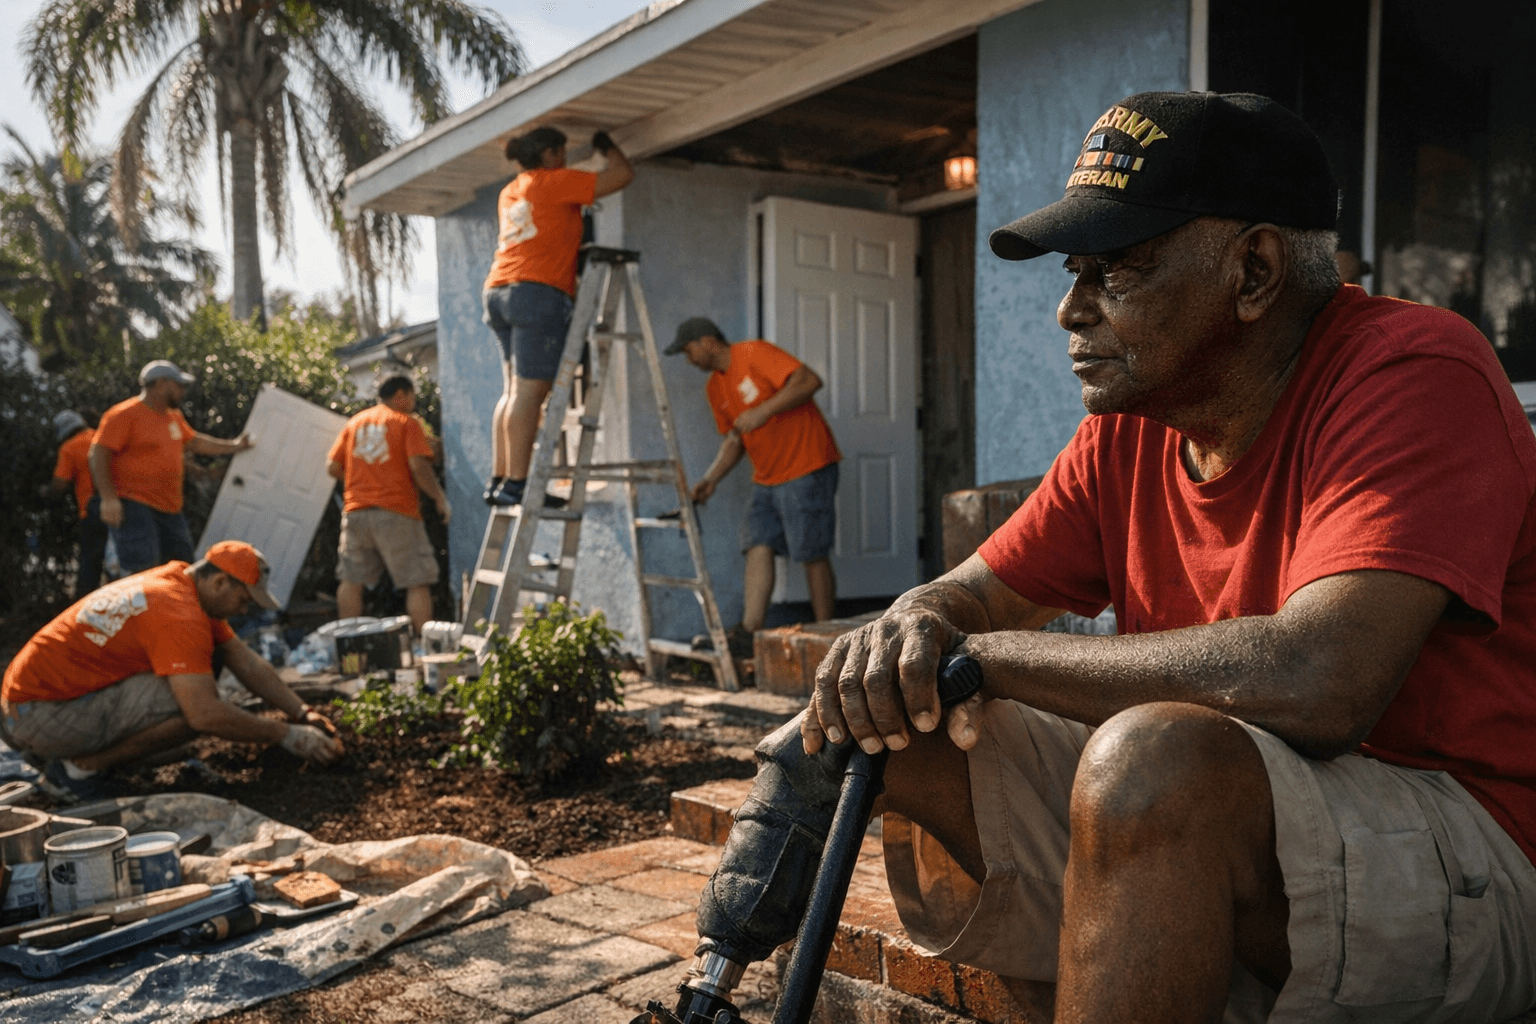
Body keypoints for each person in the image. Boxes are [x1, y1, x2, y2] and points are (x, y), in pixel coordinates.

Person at [804, 92, 1536, 1024]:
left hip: (1478, 846)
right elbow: (968, 599)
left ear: (1256, 270)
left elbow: (1324, 681)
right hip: (1268, 821)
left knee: (1151, 762)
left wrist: (980, 659)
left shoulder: (1414, 370)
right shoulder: (1132, 425)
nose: (1071, 311)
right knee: (895, 718)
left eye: (1118, 272)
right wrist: (912, 627)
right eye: (1075, 272)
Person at [0, 540, 343, 803]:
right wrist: (284, 735)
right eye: (244, 599)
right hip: (38, 714)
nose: (245, 609)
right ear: (221, 583)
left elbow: (246, 661)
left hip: (34, 705)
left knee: (204, 678)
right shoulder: (179, 615)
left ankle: (79, 755)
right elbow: (205, 716)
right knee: (192, 705)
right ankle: (78, 771)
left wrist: (302, 712)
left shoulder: (180, 582)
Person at [668, 317, 842, 655]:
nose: (689, 361)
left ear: (706, 342)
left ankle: (829, 635)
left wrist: (763, 411)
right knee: (757, 543)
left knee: (811, 552)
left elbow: (809, 380)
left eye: (688, 352)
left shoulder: (755, 353)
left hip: (806, 465)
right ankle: (750, 631)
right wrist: (710, 480)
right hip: (766, 478)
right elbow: (735, 439)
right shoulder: (715, 388)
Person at [481, 125, 634, 509]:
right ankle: (518, 484)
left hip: (499, 290)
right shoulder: (552, 181)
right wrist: (606, 145)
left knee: (513, 392)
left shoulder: (511, 190)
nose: (565, 160)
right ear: (549, 154)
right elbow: (622, 176)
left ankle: (500, 479)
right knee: (531, 394)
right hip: (537, 292)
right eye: (561, 153)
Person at [89, 359, 254, 575]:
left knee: (181, 569)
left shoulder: (173, 417)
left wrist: (234, 446)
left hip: (170, 509)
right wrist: (109, 499)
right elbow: (98, 453)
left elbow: (194, 442)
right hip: (135, 506)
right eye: (179, 385)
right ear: (161, 384)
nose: (183, 391)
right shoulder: (123, 414)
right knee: (143, 573)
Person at [326, 375, 450, 635]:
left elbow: (333, 467)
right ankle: (423, 647)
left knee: (351, 581)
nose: (413, 403)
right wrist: (439, 498)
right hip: (397, 512)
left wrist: (365, 477)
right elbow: (419, 465)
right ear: (401, 395)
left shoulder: (355, 423)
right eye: (412, 397)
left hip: (356, 513)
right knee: (418, 582)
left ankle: (348, 646)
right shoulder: (406, 422)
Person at [43, 409, 110, 598]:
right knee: (117, 560)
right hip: (118, 506)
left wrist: (44, 493)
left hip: (91, 511)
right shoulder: (99, 437)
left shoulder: (69, 448)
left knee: (90, 563)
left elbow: (60, 483)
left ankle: (83, 607)